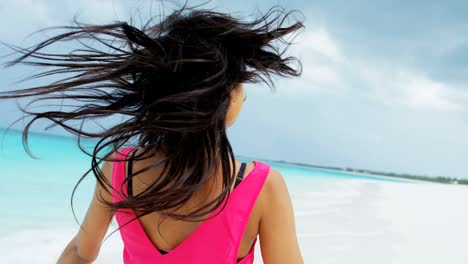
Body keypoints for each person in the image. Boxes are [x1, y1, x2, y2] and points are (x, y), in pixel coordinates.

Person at [0, 3, 304, 263]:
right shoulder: (261, 188)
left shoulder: (121, 167)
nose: (244, 95)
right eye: (239, 84)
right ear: (222, 98)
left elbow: (81, 252)